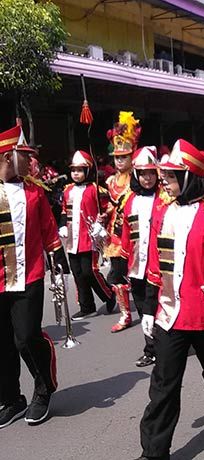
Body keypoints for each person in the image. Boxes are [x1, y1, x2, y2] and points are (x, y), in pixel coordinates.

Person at [137, 139, 204, 459]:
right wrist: (149, 309)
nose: (164, 183)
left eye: (169, 177)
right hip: (170, 312)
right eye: (163, 177)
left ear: (189, 176)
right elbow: (155, 264)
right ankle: (155, 450)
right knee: (164, 384)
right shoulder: (163, 210)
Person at [0, 125, 68, 428]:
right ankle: (12, 398)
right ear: (6, 157)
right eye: (23, 156)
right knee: (1, 343)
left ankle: (44, 389)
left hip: (29, 275)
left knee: (25, 337)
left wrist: (58, 261)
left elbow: (48, 230)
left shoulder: (35, 191)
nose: (30, 161)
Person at [111, 147, 163, 367]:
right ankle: (151, 347)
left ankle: (161, 347)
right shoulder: (130, 200)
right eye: (142, 174)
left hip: (160, 265)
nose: (147, 178)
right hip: (136, 264)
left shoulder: (164, 198)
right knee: (142, 307)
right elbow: (125, 231)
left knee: (156, 306)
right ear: (136, 175)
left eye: (151, 173)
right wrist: (121, 261)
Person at [59, 150, 115, 319]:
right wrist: (62, 225)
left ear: (88, 171)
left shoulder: (96, 189)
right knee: (77, 273)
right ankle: (87, 306)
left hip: (89, 237)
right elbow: (64, 211)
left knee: (89, 271)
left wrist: (101, 222)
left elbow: (108, 208)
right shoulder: (67, 190)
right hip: (72, 239)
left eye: (80, 170)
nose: (76, 173)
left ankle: (109, 294)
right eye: (73, 170)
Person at [104, 112, 140, 328]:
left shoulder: (139, 179)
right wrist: (105, 213)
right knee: (117, 275)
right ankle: (125, 314)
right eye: (116, 157)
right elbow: (111, 205)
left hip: (135, 233)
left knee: (138, 276)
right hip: (115, 234)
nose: (119, 161)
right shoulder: (110, 181)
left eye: (123, 157)